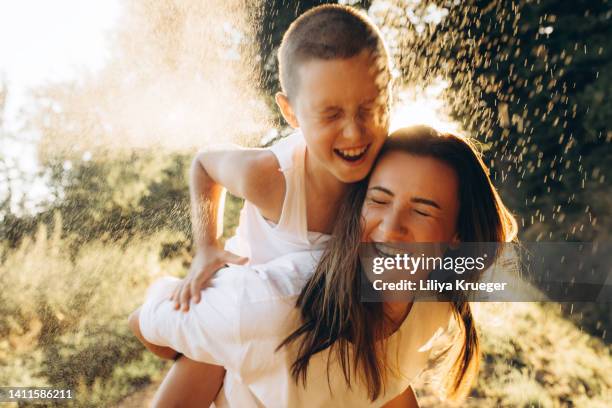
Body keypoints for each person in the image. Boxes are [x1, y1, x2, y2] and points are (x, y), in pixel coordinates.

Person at [129, 125, 518, 407]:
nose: (391, 229)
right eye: (379, 201)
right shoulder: (269, 305)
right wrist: (218, 352)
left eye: (421, 211)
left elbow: (384, 375)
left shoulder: (435, 299)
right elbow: (144, 322)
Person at [160, 4, 392, 405]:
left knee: (386, 375)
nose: (354, 131)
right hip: (248, 325)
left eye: (369, 108)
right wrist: (207, 248)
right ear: (290, 113)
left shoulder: (393, 169)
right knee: (206, 352)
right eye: (330, 114)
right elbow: (204, 164)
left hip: (331, 334)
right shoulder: (271, 178)